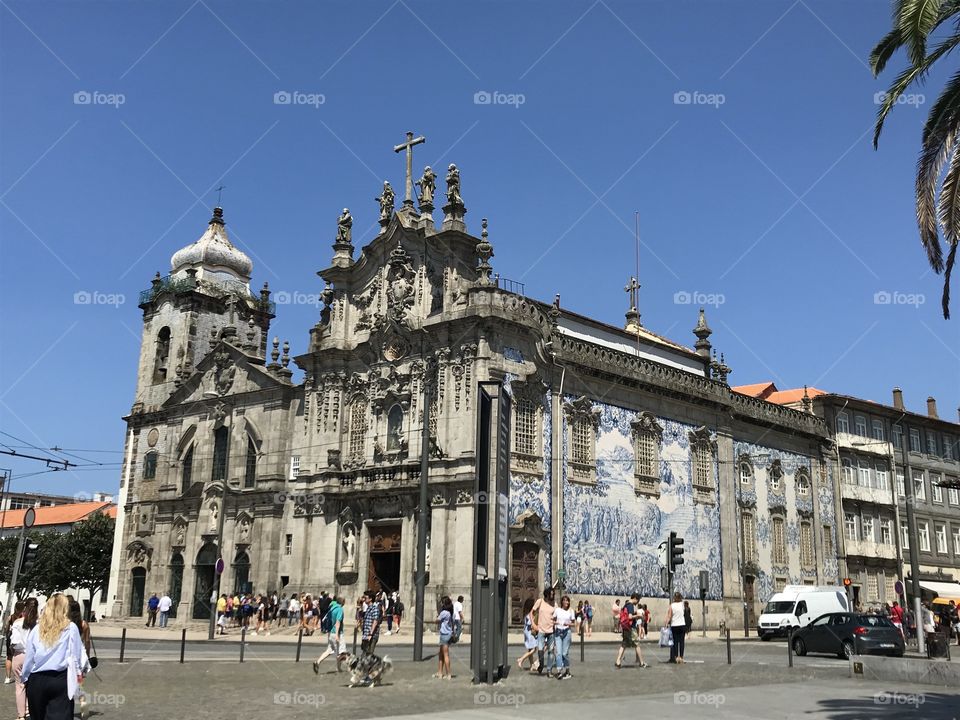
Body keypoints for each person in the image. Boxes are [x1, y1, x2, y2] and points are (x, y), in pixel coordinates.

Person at [21, 594, 90, 720]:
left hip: (37, 679)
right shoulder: (70, 628)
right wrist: (79, 677)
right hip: (60, 679)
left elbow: (30, 658)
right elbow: (76, 656)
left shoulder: (37, 629)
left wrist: (25, 678)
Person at [11, 598, 37, 720]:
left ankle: (21, 715)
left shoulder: (17, 622)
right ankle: (30, 710)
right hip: (34, 657)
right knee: (32, 685)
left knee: (20, 686)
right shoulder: (38, 624)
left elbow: (14, 642)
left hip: (19, 655)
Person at [66, 598, 92, 720]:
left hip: (68, 656)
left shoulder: (67, 623)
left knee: (67, 683)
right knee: (80, 684)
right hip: (79, 656)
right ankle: (84, 709)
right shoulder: (83, 624)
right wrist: (86, 656)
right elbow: (87, 642)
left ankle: (67, 708)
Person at [313, 595, 346, 674]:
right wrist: (337, 634)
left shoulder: (332, 608)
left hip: (331, 632)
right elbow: (338, 622)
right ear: (343, 602)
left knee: (329, 650)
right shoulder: (339, 609)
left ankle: (317, 662)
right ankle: (339, 668)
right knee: (341, 652)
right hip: (337, 633)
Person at [615, 593, 647, 669]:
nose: (638, 602)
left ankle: (618, 661)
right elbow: (629, 617)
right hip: (631, 628)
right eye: (638, 600)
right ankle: (641, 662)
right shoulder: (630, 605)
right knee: (637, 644)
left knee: (624, 644)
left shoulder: (626, 605)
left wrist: (634, 613)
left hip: (625, 627)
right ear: (635, 598)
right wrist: (637, 616)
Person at [531, 587, 556, 675]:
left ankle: (549, 670)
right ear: (547, 594)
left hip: (551, 631)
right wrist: (533, 624)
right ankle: (541, 665)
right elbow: (532, 612)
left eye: (553, 594)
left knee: (551, 651)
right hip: (541, 630)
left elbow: (556, 616)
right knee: (540, 650)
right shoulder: (540, 601)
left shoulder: (554, 604)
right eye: (551, 594)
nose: (552, 595)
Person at [553, 595, 575, 679]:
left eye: (568, 601)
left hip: (567, 632)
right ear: (562, 601)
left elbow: (573, 623)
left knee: (564, 653)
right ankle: (559, 671)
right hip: (558, 632)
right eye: (565, 600)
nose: (566, 602)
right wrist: (555, 622)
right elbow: (553, 619)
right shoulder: (557, 610)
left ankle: (567, 670)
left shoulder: (571, 611)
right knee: (558, 653)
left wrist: (568, 624)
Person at [434, 596, 454, 679]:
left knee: (445, 655)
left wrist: (437, 617)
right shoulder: (450, 612)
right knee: (441, 654)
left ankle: (448, 674)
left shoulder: (444, 612)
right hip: (448, 634)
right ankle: (440, 672)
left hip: (444, 634)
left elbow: (437, 621)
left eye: (442, 602)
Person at [666, 592, 687, 664]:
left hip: (674, 625)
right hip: (682, 624)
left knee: (675, 642)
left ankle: (675, 657)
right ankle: (681, 657)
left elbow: (669, 616)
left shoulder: (672, 605)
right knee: (681, 642)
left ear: (674, 598)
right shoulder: (682, 604)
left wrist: (666, 624)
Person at [517, 598, 538, 670]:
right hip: (530, 633)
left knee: (530, 649)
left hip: (527, 632)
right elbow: (530, 624)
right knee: (534, 649)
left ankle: (531, 665)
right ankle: (521, 659)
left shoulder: (526, 614)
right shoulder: (530, 614)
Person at [360, 591, 381, 656]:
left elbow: (375, 621)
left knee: (369, 655)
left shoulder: (374, 609)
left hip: (371, 635)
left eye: (365, 598)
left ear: (370, 599)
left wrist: (370, 634)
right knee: (364, 654)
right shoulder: (368, 608)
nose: (363, 599)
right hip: (366, 635)